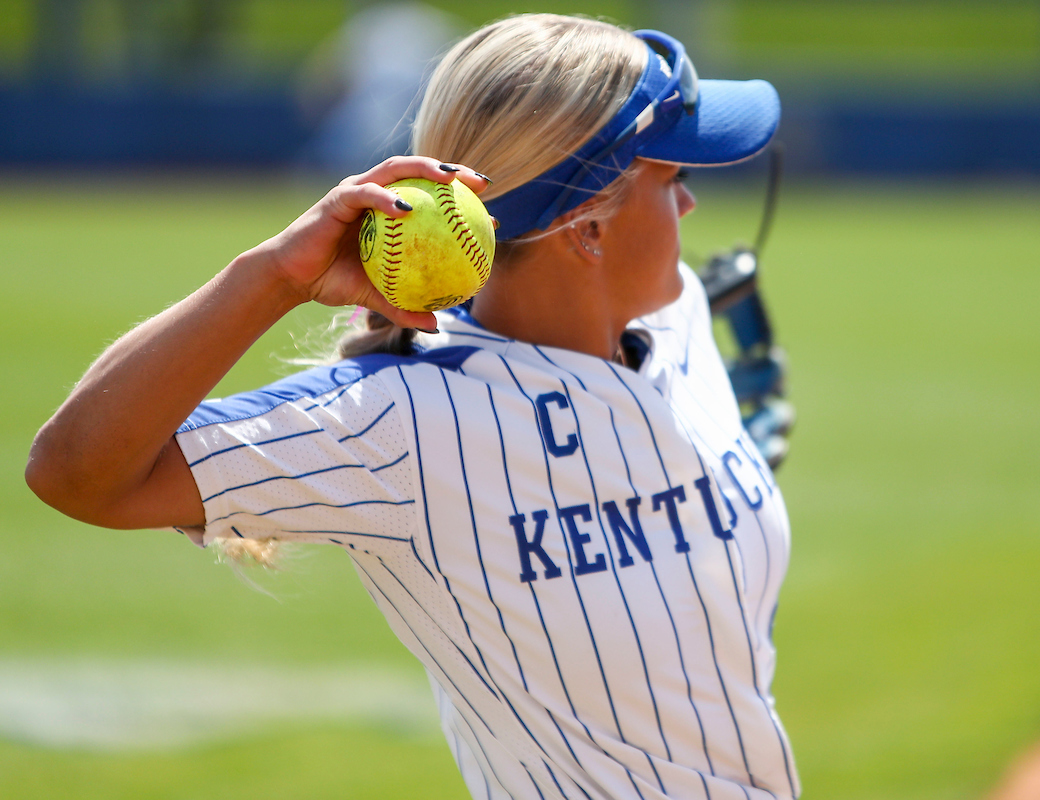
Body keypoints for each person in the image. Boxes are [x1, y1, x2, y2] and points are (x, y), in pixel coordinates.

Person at [27, 13, 796, 800]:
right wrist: (272, 280)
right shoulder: (400, 424)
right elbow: (75, 473)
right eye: (674, 181)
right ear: (588, 226)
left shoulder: (678, 317)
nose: (693, 207)